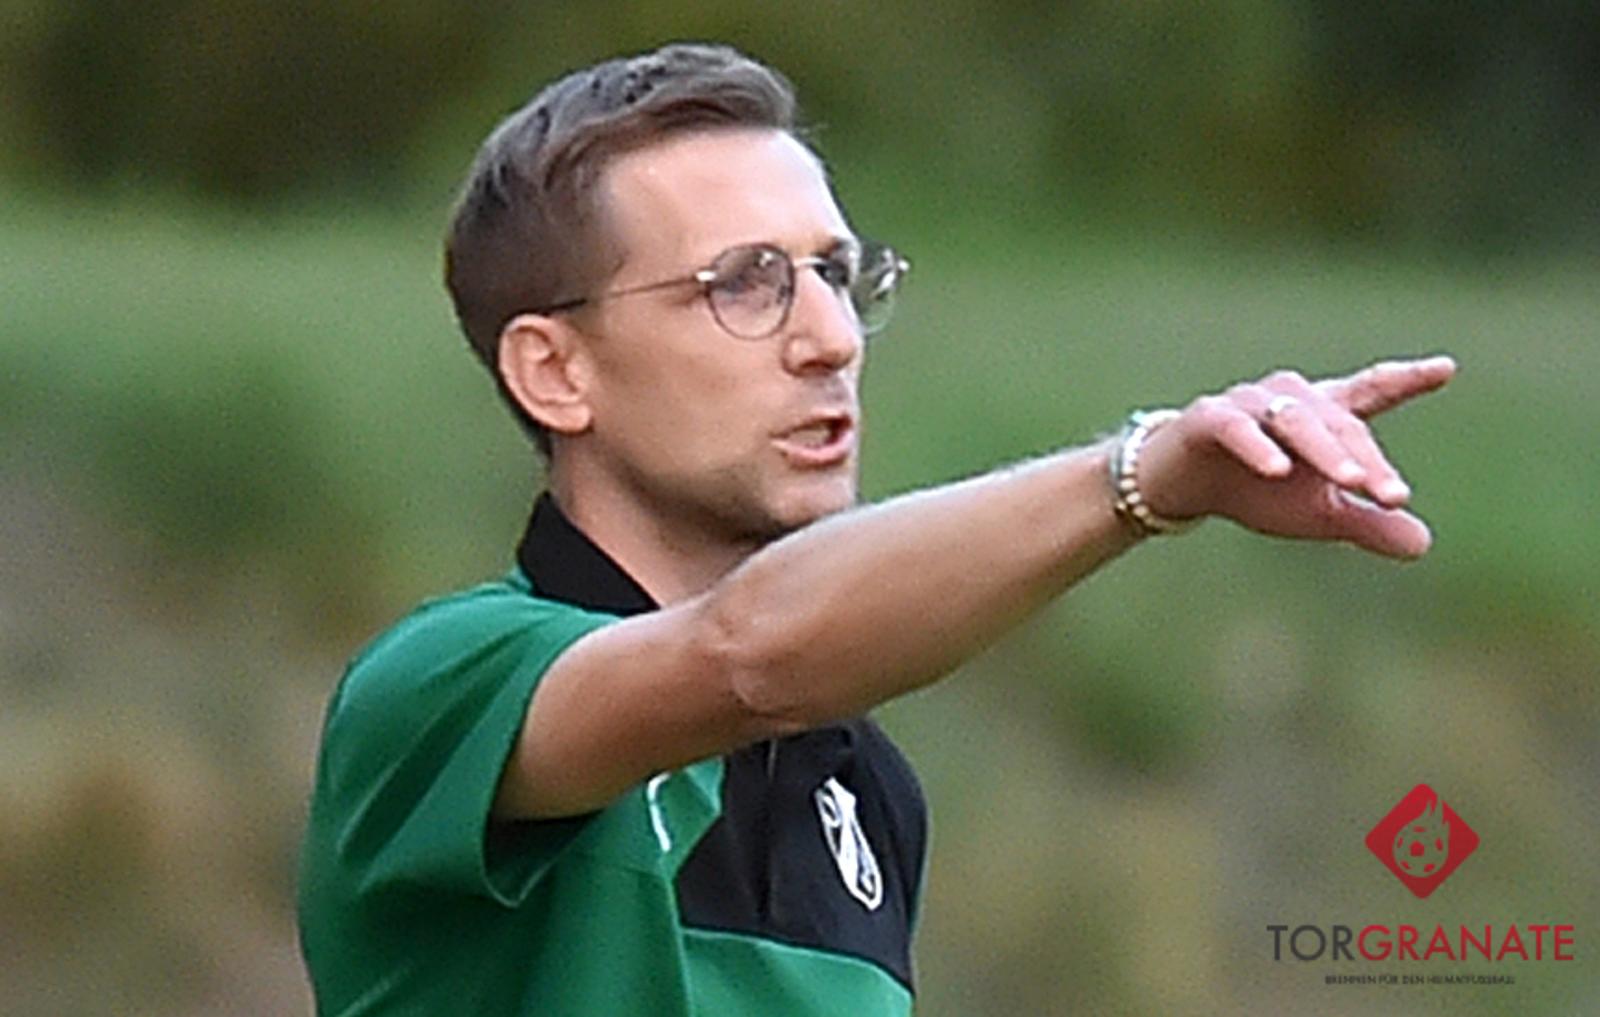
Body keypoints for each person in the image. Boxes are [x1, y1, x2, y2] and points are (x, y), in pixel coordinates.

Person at [296, 42, 1455, 1017]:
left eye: (836, 276)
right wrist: (1140, 478)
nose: (833, 339)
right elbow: (744, 656)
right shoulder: (439, 690)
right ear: (555, 372)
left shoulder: (864, 786)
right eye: (744, 283)